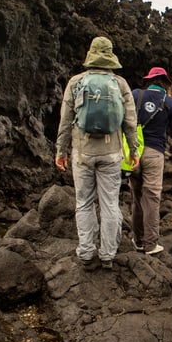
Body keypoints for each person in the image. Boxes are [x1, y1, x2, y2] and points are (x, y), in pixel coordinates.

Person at [55, 36, 139, 271]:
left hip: (82, 152)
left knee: (84, 203)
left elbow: (65, 121)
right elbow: (130, 122)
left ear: (91, 55)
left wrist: (61, 150)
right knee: (110, 203)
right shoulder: (120, 84)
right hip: (111, 152)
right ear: (110, 56)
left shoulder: (76, 82)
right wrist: (133, 150)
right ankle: (107, 255)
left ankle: (86, 252)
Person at [128, 67, 172, 255]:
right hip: (155, 154)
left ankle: (138, 240)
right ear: (166, 83)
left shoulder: (135, 94)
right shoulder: (170, 102)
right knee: (152, 199)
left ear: (150, 81)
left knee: (137, 198)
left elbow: (122, 120)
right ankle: (151, 244)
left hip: (133, 153)